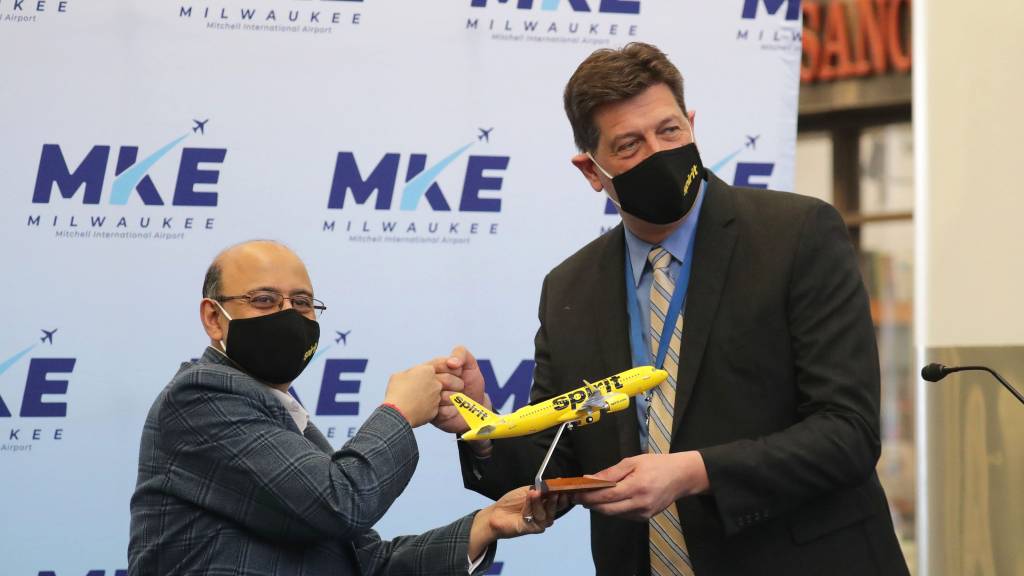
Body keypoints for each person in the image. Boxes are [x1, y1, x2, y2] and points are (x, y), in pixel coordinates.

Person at [432, 43, 909, 575]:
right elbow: (554, 455)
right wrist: (483, 428)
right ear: (591, 171)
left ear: (692, 125)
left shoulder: (797, 237)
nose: (658, 154)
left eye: (670, 131)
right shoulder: (571, 287)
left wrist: (692, 471)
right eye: (630, 145)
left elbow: (847, 432)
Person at [128, 240, 563, 576]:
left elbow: (366, 563)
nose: (288, 315)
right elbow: (340, 502)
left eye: (302, 303)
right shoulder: (202, 395)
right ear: (213, 318)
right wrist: (399, 412)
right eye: (264, 300)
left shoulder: (281, 415)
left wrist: (486, 524)